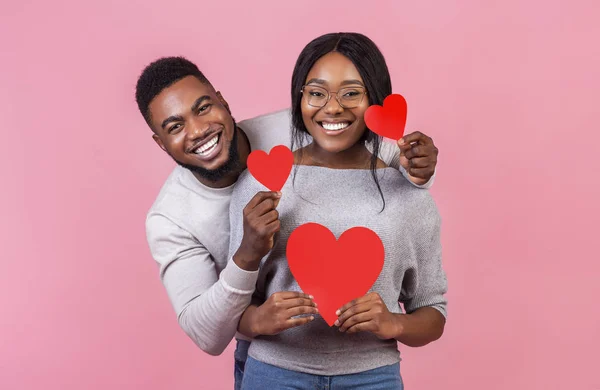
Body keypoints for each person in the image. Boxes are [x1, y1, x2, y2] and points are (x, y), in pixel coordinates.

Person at [134, 56, 440, 389]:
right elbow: (207, 333)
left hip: (367, 365)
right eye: (175, 126)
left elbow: (379, 156)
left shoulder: (298, 126)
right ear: (160, 143)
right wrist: (247, 255)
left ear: (222, 100)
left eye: (203, 108)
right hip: (270, 356)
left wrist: (419, 168)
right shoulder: (170, 219)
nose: (197, 130)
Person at [228, 32, 448, 389]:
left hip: (372, 376)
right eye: (316, 93)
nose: (332, 108)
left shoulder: (409, 193)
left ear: (375, 99)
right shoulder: (259, 185)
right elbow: (230, 307)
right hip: (274, 373)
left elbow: (433, 312)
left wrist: (394, 323)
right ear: (299, 98)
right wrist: (256, 321)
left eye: (351, 93)